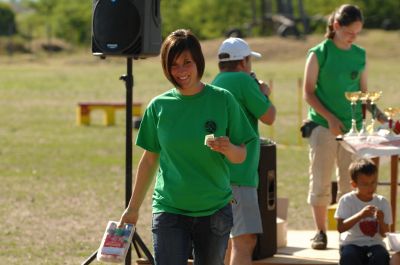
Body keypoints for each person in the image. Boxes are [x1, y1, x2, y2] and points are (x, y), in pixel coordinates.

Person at [118, 29, 257, 265]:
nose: (181, 71)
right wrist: (132, 209)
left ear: (198, 62)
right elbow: (150, 159)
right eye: (173, 65)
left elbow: (240, 155)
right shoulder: (159, 106)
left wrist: (229, 148)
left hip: (214, 211)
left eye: (187, 62)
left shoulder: (223, 99)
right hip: (169, 209)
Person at [302, 4, 368, 250]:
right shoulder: (319, 53)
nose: (354, 37)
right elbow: (308, 93)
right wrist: (329, 118)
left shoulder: (360, 54)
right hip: (322, 126)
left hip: (353, 129)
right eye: (350, 32)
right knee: (320, 180)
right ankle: (320, 232)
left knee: (349, 183)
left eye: (358, 33)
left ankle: (347, 233)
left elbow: (363, 94)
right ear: (336, 26)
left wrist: (382, 116)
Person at [211, 37, 276, 265]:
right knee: (244, 240)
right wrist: (264, 93)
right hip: (240, 174)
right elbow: (269, 116)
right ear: (243, 62)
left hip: (218, 173)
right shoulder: (243, 81)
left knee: (226, 241)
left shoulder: (216, 81)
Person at [335, 158, 391, 265]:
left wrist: (381, 220)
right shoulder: (347, 200)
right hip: (351, 243)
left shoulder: (382, 202)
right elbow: (340, 228)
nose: (371, 187)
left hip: (375, 244)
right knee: (349, 256)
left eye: (373, 182)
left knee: (381, 256)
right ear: (354, 184)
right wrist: (360, 215)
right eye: (365, 184)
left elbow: (384, 234)